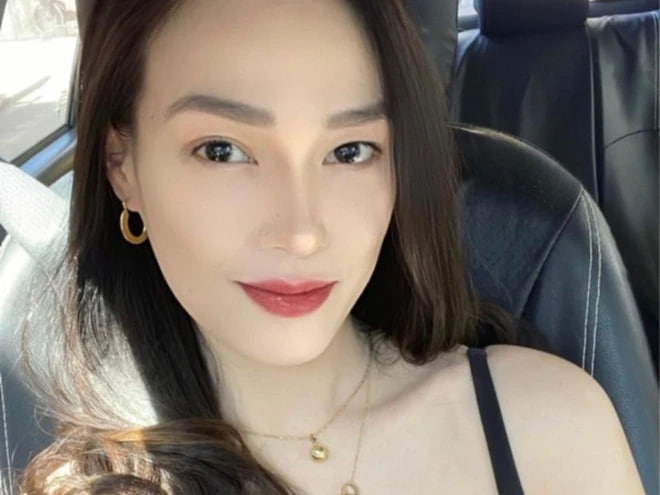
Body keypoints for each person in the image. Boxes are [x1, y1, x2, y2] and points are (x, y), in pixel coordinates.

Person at [17, 0, 644, 493]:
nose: (301, 233)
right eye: (222, 150)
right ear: (122, 166)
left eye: (350, 151)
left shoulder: (550, 425)